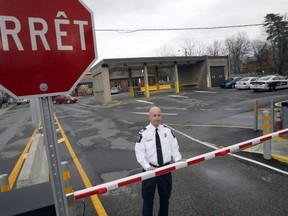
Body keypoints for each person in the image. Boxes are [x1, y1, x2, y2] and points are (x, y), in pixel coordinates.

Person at [135, 106, 183, 216]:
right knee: (148, 199)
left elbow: (174, 147)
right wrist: (147, 167)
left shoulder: (167, 131)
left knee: (165, 198)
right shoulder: (143, 134)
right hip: (150, 171)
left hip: (165, 169)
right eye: (154, 115)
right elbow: (139, 153)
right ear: (149, 117)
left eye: (159, 115)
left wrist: (178, 158)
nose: (157, 118)